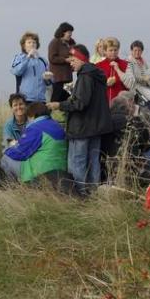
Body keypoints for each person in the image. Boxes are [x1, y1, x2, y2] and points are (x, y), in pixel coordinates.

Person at [48, 44, 113, 195]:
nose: (70, 64)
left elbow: (80, 103)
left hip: (82, 128)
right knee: (93, 162)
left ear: (80, 58)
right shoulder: (96, 74)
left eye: (72, 60)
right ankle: (94, 193)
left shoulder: (85, 76)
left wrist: (59, 104)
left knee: (77, 163)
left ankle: (80, 195)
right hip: (95, 128)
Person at [1, 102, 68, 183]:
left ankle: (15, 186)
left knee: (5, 158)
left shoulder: (36, 127)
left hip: (42, 172)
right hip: (61, 170)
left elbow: (20, 153)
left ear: (32, 115)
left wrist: (7, 150)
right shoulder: (55, 124)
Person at [101, 92, 150, 183]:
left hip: (107, 169)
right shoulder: (135, 121)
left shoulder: (104, 122)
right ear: (126, 108)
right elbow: (147, 146)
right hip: (131, 167)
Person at [116, 40, 150, 118]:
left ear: (142, 51)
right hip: (136, 88)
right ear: (131, 51)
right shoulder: (128, 62)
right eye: (135, 50)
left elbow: (149, 74)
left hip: (146, 87)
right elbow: (130, 77)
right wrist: (143, 79)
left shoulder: (144, 62)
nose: (137, 52)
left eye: (139, 50)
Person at [10, 31, 53, 103]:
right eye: (29, 42)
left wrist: (48, 79)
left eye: (34, 42)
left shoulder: (43, 61)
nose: (32, 44)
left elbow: (49, 82)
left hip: (41, 99)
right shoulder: (19, 57)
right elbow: (16, 71)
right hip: (25, 99)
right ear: (24, 45)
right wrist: (28, 57)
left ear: (37, 45)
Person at [95, 37, 129, 104]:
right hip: (104, 101)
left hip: (122, 102)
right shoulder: (98, 66)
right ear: (105, 51)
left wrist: (118, 79)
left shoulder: (125, 64)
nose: (113, 52)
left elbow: (129, 84)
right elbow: (95, 85)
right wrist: (106, 83)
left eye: (115, 50)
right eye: (110, 50)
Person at [47, 22, 75, 102]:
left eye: (71, 32)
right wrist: (65, 60)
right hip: (58, 78)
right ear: (62, 32)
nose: (70, 34)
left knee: (67, 100)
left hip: (68, 77)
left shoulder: (71, 43)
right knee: (55, 99)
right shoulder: (54, 42)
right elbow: (52, 58)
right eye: (69, 32)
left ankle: (64, 114)